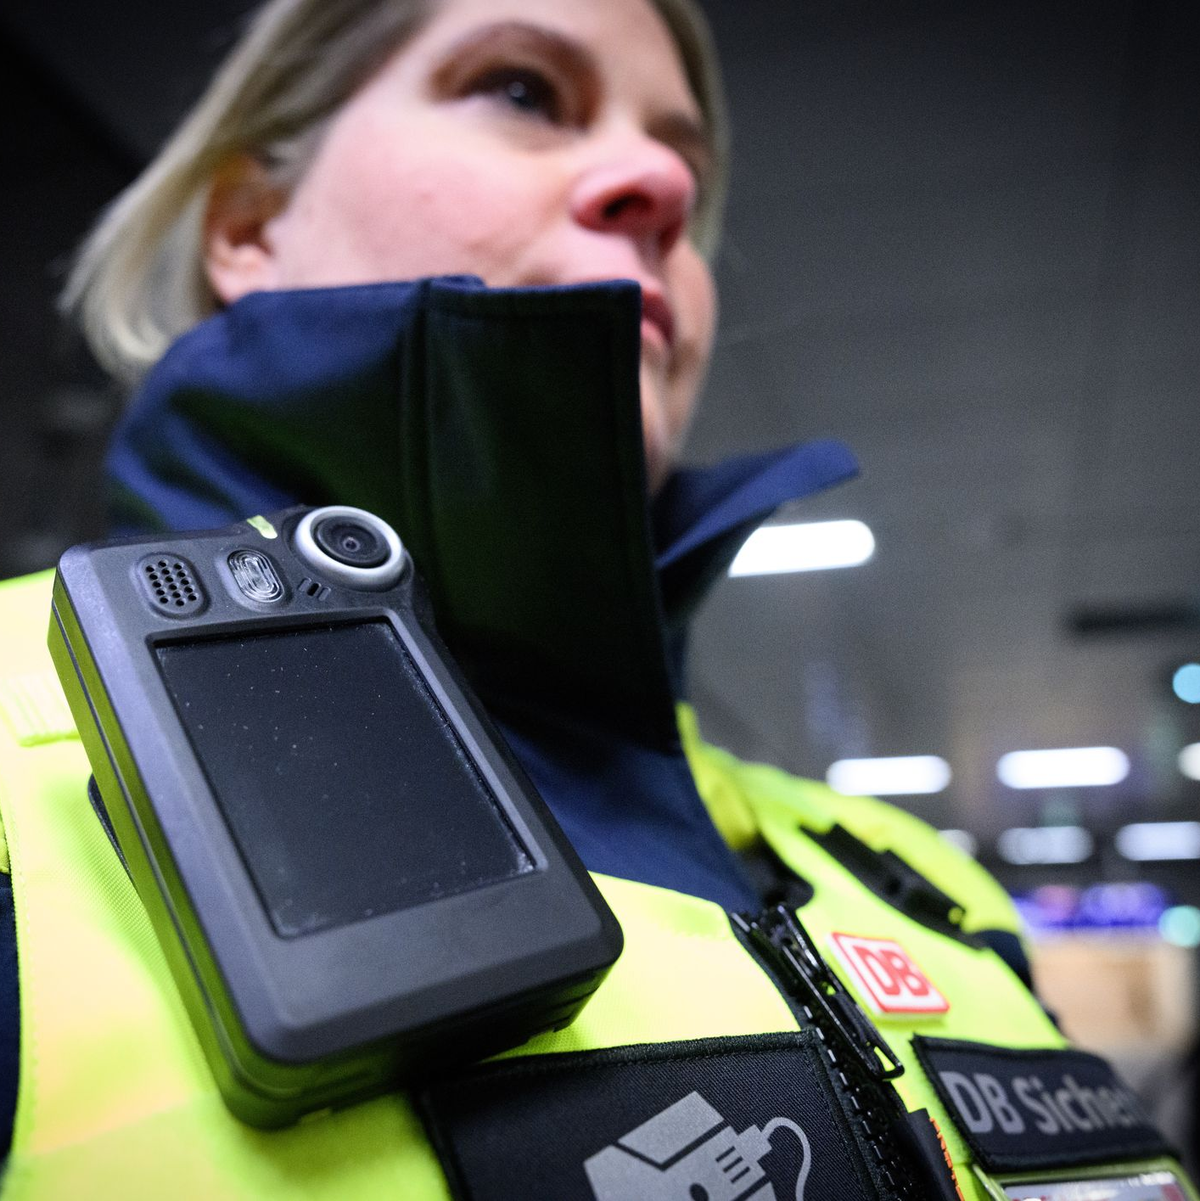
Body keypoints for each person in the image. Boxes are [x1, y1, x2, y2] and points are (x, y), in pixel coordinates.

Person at [0, 0, 1190, 1197]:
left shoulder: (908, 868)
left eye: (690, 158)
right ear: (249, 223)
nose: (662, 181)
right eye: (522, 90)